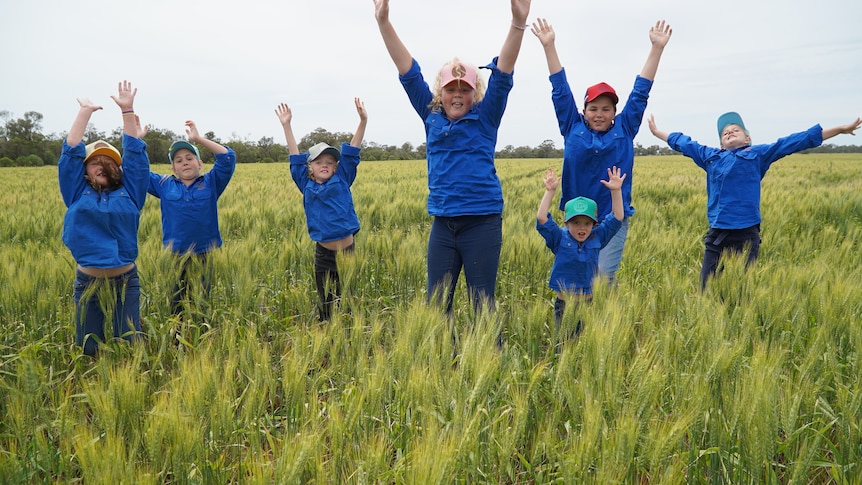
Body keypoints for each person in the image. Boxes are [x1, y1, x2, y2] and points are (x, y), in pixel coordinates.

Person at [373, 0, 532, 315]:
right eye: (450, 88)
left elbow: (503, 75)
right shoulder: (430, 114)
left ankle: (489, 361)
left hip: (481, 222)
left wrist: (518, 23)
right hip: (444, 224)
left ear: (475, 93)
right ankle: (445, 362)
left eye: (465, 88)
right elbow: (408, 71)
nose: (457, 93)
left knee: (482, 304)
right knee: (437, 305)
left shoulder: (486, 116)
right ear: (439, 93)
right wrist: (384, 23)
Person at [647, 112, 862, 289]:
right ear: (722, 144)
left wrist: (839, 130)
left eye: (736, 130)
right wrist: (658, 133)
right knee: (706, 286)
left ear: (747, 138)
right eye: (725, 133)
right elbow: (684, 143)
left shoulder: (758, 154)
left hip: (747, 234)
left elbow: (795, 141)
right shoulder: (710, 157)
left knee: (743, 289)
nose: (730, 132)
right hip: (717, 235)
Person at [531, 17, 672, 284]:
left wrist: (656, 49)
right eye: (593, 108)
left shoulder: (626, 127)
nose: (599, 114)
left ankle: (605, 323)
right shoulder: (572, 126)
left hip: (612, 217)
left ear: (614, 112)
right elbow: (560, 90)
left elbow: (640, 92)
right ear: (584, 111)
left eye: (606, 109)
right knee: (579, 277)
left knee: (604, 277)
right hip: (578, 217)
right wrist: (549, 46)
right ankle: (579, 325)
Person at [58, 81, 149, 356]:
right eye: (95, 162)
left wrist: (127, 111)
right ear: (85, 171)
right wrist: (85, 112)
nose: (102, 166)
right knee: (88, 347)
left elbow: (135, 157)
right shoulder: (75, 192)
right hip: (88, 282)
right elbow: (70, 153)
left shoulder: (131, 193)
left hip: (126, 281)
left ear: (118, 169)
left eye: (109, 162)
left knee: (130, 344)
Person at [276, 98, 367, 321]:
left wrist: (363, 121)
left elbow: (352, 151)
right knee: (326, 305)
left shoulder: (343, 177)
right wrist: (286, 125)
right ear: (310, 167)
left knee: (347, 302)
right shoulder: (305, 184)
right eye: (318, 162)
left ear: (336, 166)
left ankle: (347, 342)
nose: (324, 164)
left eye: (329, 161)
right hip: (324, 255)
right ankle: (328, 344)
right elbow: (295, 158)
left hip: (348, 252)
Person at [147, 121, 236, 318]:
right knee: (176, 303)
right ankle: (178, 339)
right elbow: (137, 172)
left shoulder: (211, 182)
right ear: (173, 168)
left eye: (189, 157)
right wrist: (136, 139)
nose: (184, 162)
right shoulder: (163, 184)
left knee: (201, 302)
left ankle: (199, 339)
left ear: (200, 164)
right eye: (178, 160)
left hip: (205, 253)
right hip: (174, 254)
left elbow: (227, 157)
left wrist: (198, 139)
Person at [536, 166, 625, 336]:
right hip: (564, 305)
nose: (582, 228)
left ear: (594, 224)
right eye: (576, 223)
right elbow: (542, 218)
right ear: (566, 222)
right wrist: (550, 191)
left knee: (584, 344)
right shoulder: (559, 238)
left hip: (587, 303)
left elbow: (618, 217)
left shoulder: (598, 237)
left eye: (587, 223)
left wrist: (616, 191)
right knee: (563, 345)